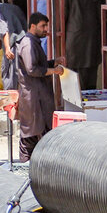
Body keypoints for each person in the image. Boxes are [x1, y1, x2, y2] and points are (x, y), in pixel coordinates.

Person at [14, 12, 64, 162]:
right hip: (33, 97)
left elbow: (38, 64)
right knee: (30, 137)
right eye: (43, 26)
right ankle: (25, 171)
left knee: (40, 134)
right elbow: (32, 69)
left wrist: (53, 62)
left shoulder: (33, 42)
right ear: (33, 26)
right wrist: (53, 71)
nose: (45, 29)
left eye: (46, 26)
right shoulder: (28, 43)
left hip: (39, 96)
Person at [61, 0, 103, 90]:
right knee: (91, 68)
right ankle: (91, 98)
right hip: (93, 31)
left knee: (74, 71)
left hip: (75, 34)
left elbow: (64, 12)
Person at [0, 0, 27, 90]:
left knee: (9, 73)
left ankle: (10, 100)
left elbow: (4, 30)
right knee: (22, 72)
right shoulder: (15, 8)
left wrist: (7, 48)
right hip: (25, 42)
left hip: (12, 43)